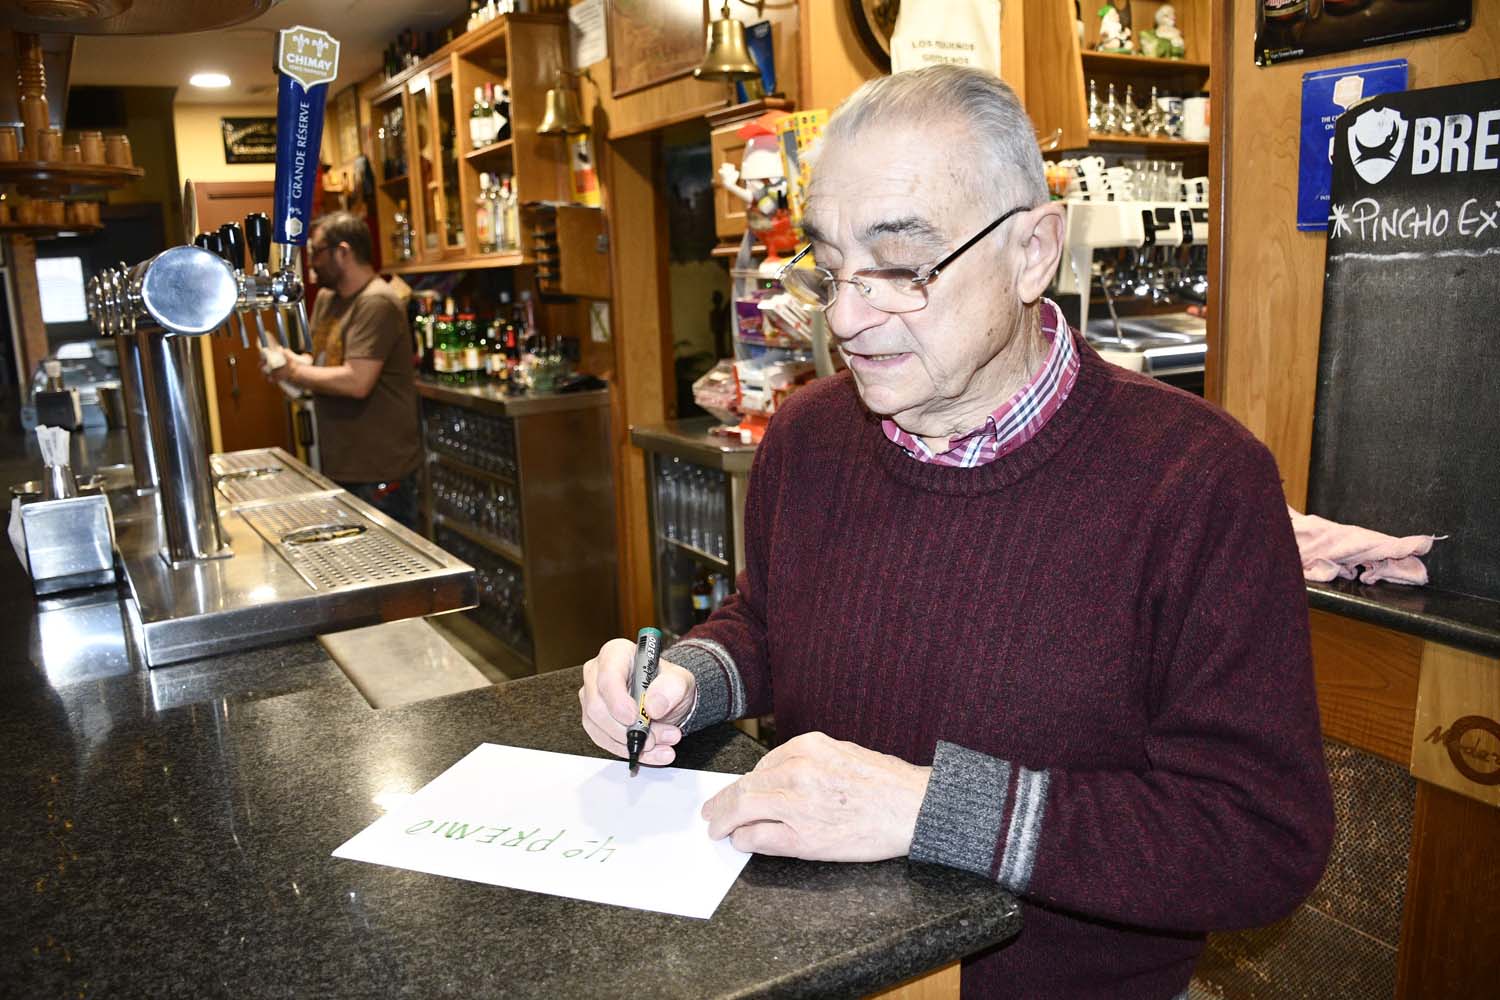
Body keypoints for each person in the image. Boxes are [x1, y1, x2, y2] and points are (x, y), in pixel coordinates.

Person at [579, 65, 1333, 999]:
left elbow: (1258, 839)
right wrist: (692, 680)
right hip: (815, 960)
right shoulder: (811, 435)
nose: (848, 321)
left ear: (1032, 251)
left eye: (901, 269)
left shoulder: (1199, 480)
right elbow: (770, 624)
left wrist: (933, 808)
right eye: (830, 266)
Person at [265, 211, 422, 528]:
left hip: (379, 472)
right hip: (339, 464)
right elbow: (323, 364)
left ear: (344, 252)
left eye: (317, 252)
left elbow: (356, 381)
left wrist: (292, 372)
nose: (311, 263)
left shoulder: (376, 302)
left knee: (386, 569)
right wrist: (290, 361)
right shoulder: (327, 299)